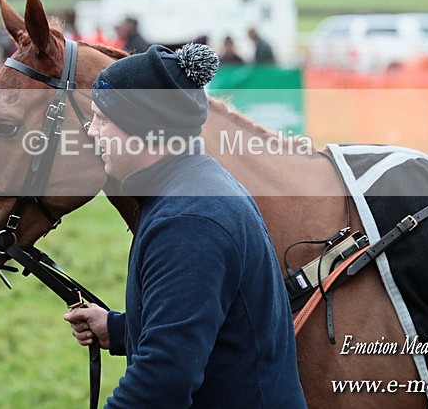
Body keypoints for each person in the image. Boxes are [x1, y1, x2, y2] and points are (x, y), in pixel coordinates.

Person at [64, 44, 306, 408]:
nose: (92, 132)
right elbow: (205, 326)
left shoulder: (188, 222)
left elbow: (161, 384)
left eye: (102, 119)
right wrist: (119, 329)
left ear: (145, 129)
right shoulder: (192, 185)